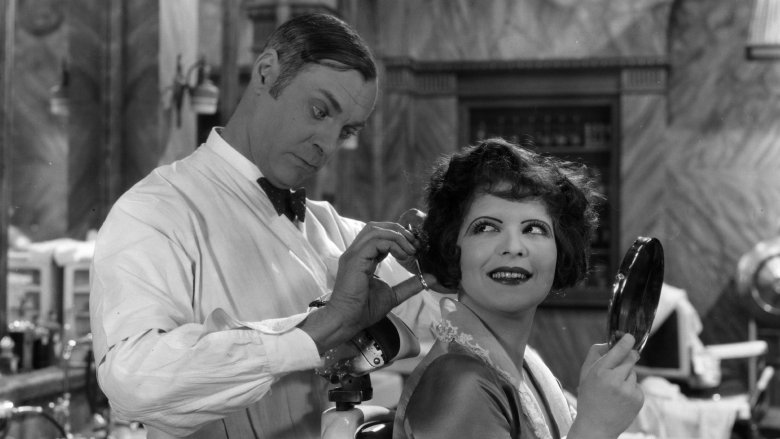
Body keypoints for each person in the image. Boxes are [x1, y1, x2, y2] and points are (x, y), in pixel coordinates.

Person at [90, 13, 438, 439]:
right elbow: (132, 381)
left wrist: (444, 258)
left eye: (346, 130)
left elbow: (442, 321)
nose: (327, 145)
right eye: (319, 110)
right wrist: (316, 330)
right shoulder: (156, 211)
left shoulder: (334, 230)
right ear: (266, 72)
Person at [393, 138, 645, 439]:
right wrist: (595, 428)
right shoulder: (460, 381)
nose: (513, 247)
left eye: (534, 229)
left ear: (559, 250)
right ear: (452, 248)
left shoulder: (527, 367)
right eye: (486, 227)